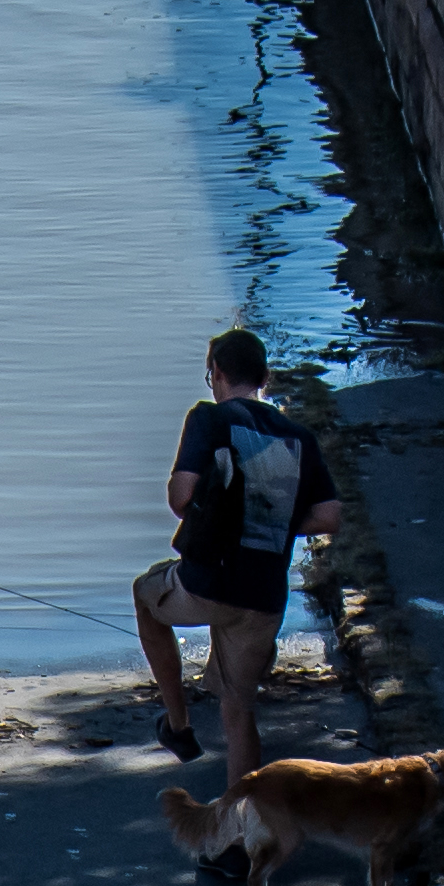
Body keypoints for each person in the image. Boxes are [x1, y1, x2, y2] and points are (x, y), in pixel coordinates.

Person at [152, 327, 339, 783]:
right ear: (265, 377)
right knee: (240, 711)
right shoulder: (298, 436)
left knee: (145, 596)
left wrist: (226, 514)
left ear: (215, 373)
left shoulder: (209, 420)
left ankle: (178, 725)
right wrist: (268, 516)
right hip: (267, 595)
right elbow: (330, 515)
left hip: (209, 583)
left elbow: (181, 498)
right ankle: (241, 835)